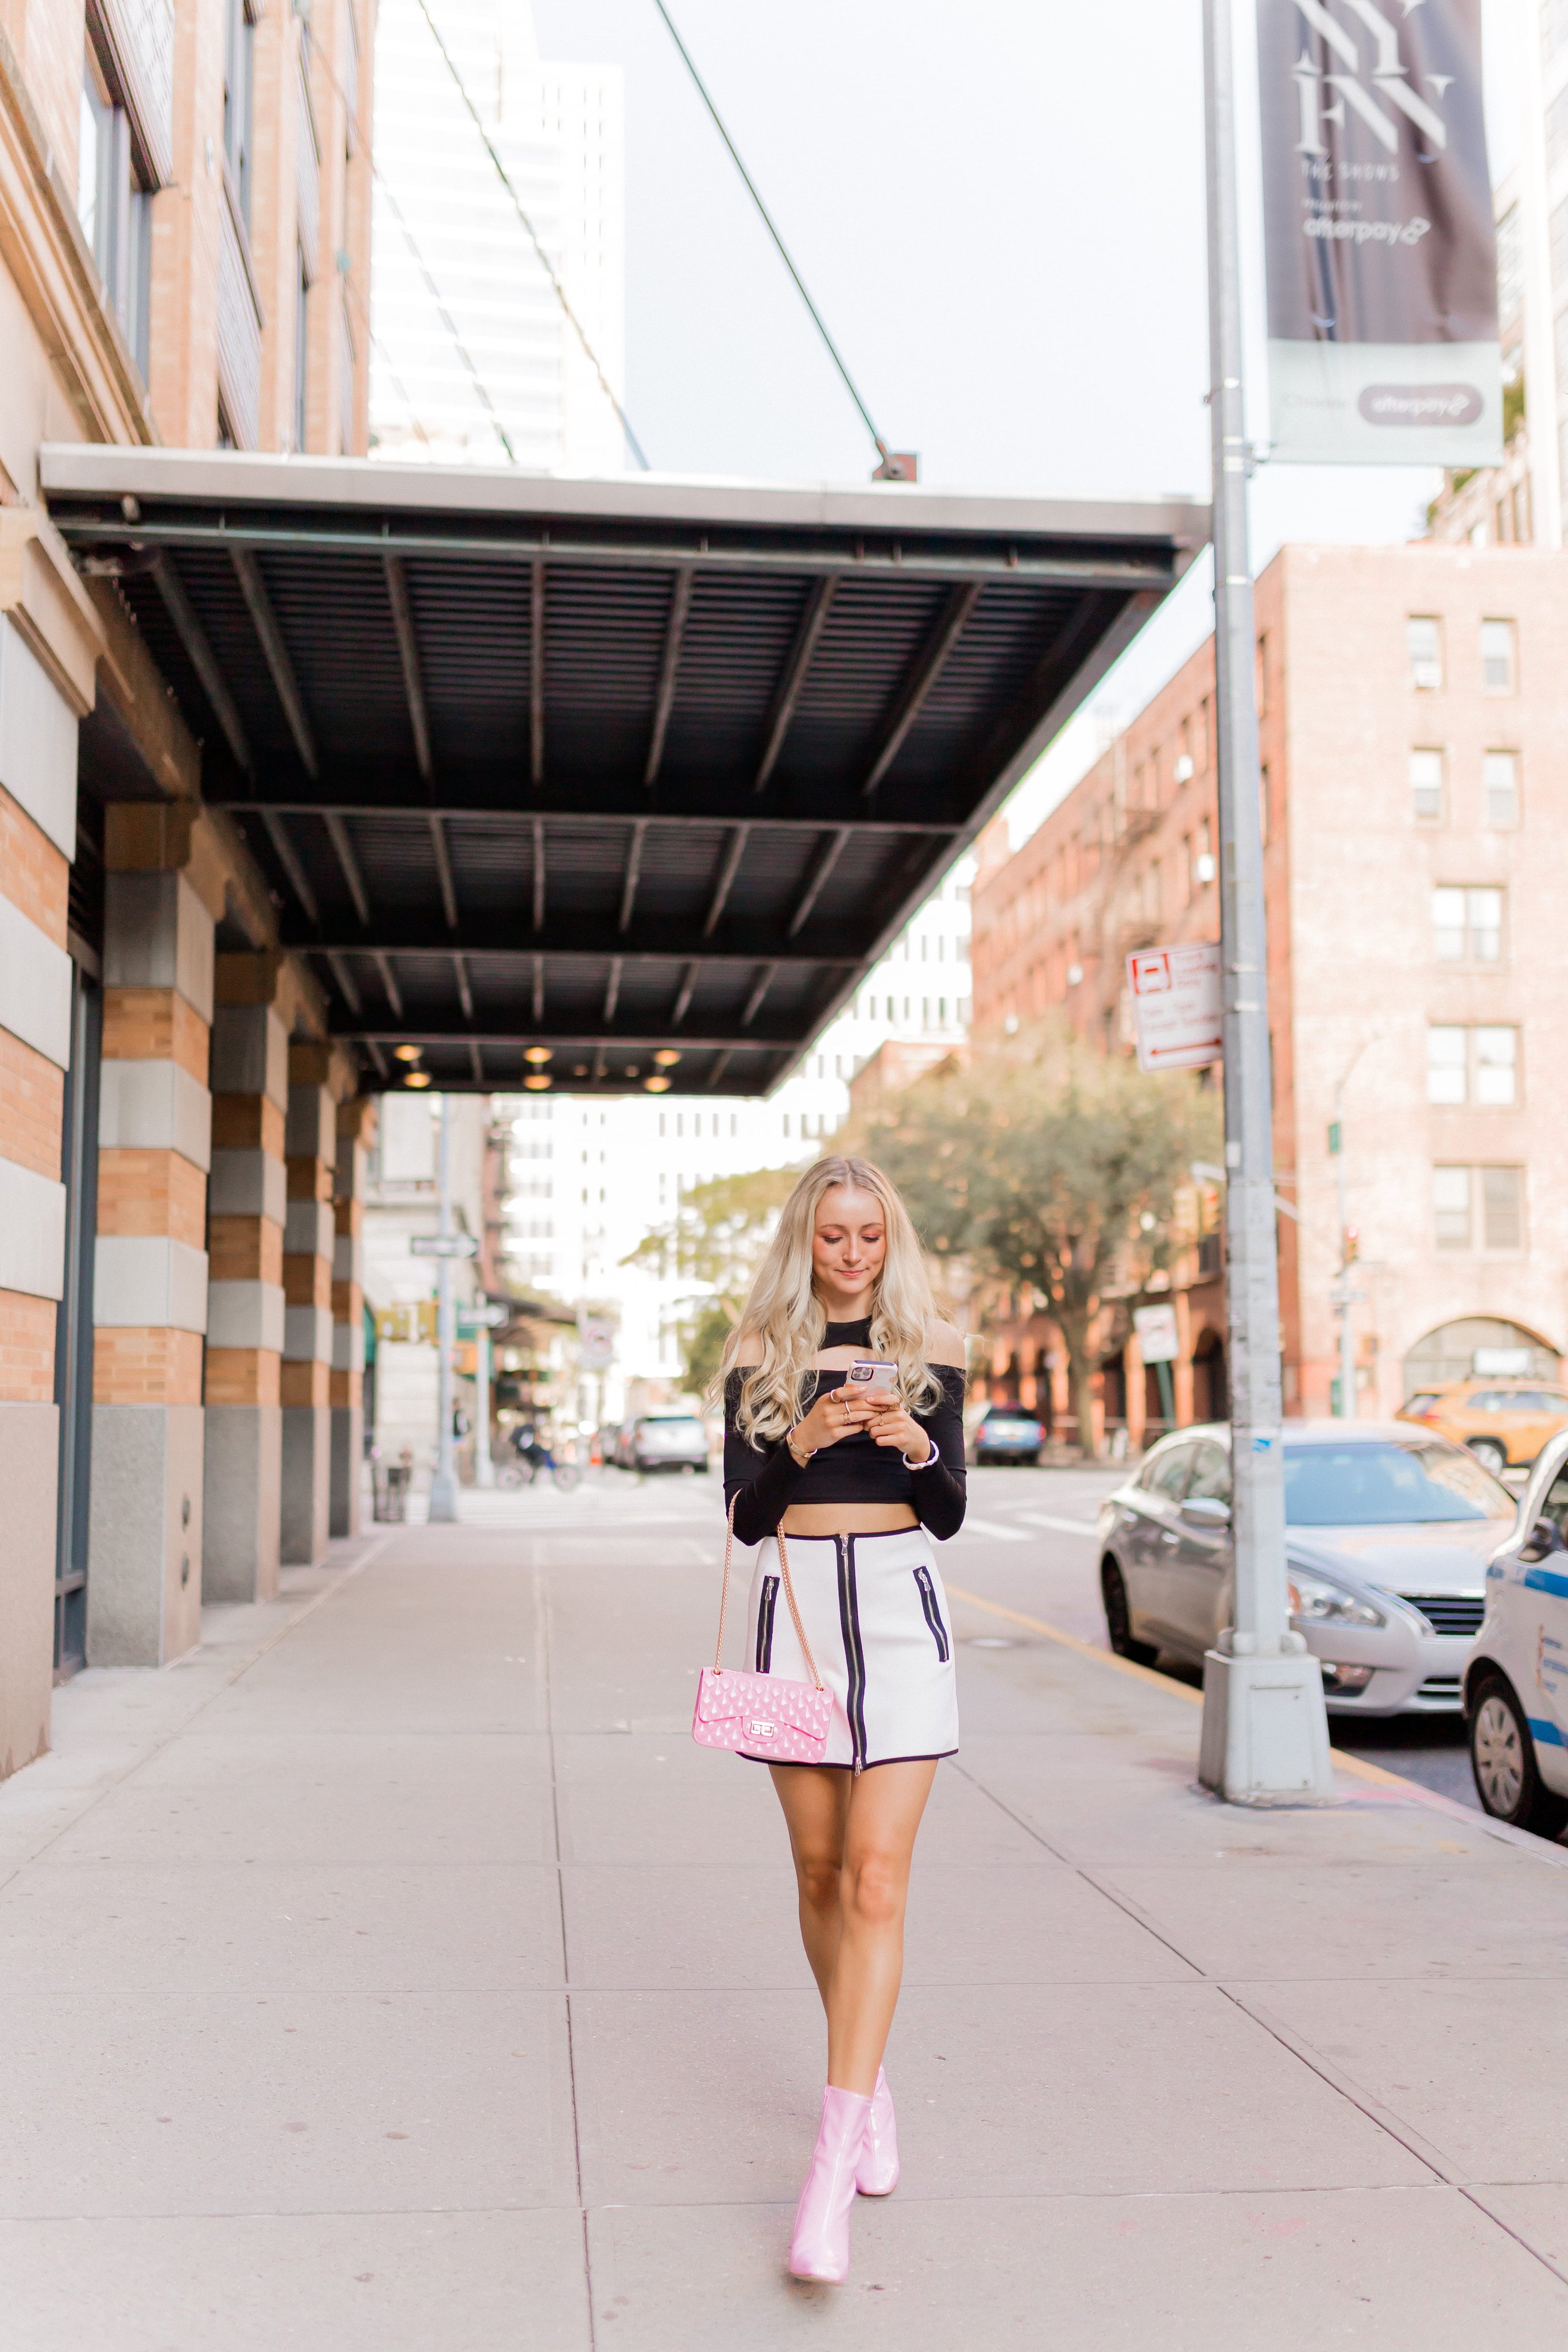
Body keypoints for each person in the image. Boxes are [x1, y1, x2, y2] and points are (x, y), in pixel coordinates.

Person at [715, 1154, 966, 2284]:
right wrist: (803, 1438)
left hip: (903, 1620)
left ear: (889, 1236)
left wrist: (912, 1439)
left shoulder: (932, 1346)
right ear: (803, 1238)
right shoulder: (757, 1349)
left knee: (874, 1880)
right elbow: (741, 1517)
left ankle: (826, 2170)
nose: (852, 1251)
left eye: (868, 1232)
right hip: (792, 1616)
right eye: (832, 1234)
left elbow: (953, 1512)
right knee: (817, 1875)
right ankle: (870, 2086)